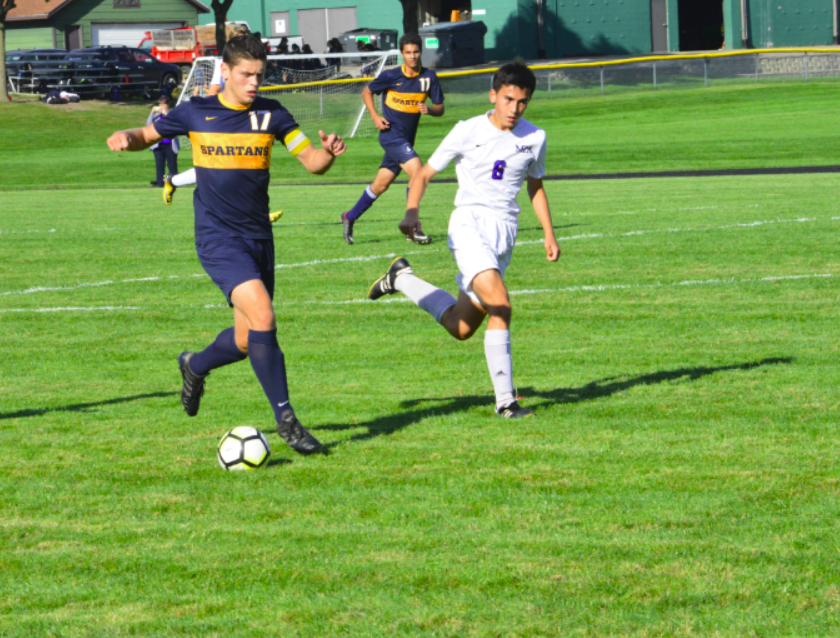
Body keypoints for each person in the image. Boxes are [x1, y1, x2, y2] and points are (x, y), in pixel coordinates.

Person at [106, 35, 347, 453]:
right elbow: (147, 134)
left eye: (259, 75)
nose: (254, 83)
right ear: (226, 71)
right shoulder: (196, 111)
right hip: (218, 238)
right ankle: (287, 419)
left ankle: (194, 364)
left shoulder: (272, 115)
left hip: (259, 237)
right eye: (246, 75)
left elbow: (312, 162)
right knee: (264, 314)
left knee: (243, 339)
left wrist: (329, 154)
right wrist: (126, 136)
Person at [367, 60, 560, 418]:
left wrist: (548, 233)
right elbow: (423, 173)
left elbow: (535, 186)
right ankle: (506, 403)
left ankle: (401, 279)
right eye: (508, 99)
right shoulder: (466, 130)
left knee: (461, 326)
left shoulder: (535, 137)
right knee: (501, 305)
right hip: (469, 225)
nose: (514, 109)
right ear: (493, 95)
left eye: (522, 102)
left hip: (504, 235)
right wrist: (412, 212)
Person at [340, 33, 444, 245]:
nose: (412, 56)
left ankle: (349, 217)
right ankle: (412, 227)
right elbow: (367, 92)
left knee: (380, 185)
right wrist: (376, 117)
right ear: (402, 54)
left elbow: (440, 108)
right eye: (408, 52)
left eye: (416, 52)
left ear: (420, 52)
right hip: (390, 136)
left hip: (406, 140)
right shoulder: (391, 76)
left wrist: (430, 110)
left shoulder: (429, 77)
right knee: (417, 170)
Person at [163, 25, 251, 204]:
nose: (243, 44)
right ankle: (256, 212)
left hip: (242, 119)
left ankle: (172, 181)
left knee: (235, 165)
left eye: (245, 40)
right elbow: (213, 92)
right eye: (238, 40)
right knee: (224, 166)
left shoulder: (249, 64)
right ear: (231, 43)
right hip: (226, 121)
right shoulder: (224, 64)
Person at [147, 96, 179, 187]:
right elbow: (148, 125)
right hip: (158, 144)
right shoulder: (156, 116)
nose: (161, 106)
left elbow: (174, 124)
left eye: (163, 104)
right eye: (159, 104)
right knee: (159, 166)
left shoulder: (172, 114)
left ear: (167, 105)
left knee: (172, 165)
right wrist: (152, 114)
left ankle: (175, 184)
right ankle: (160, 185)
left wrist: (166, 114)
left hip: (170, 143)